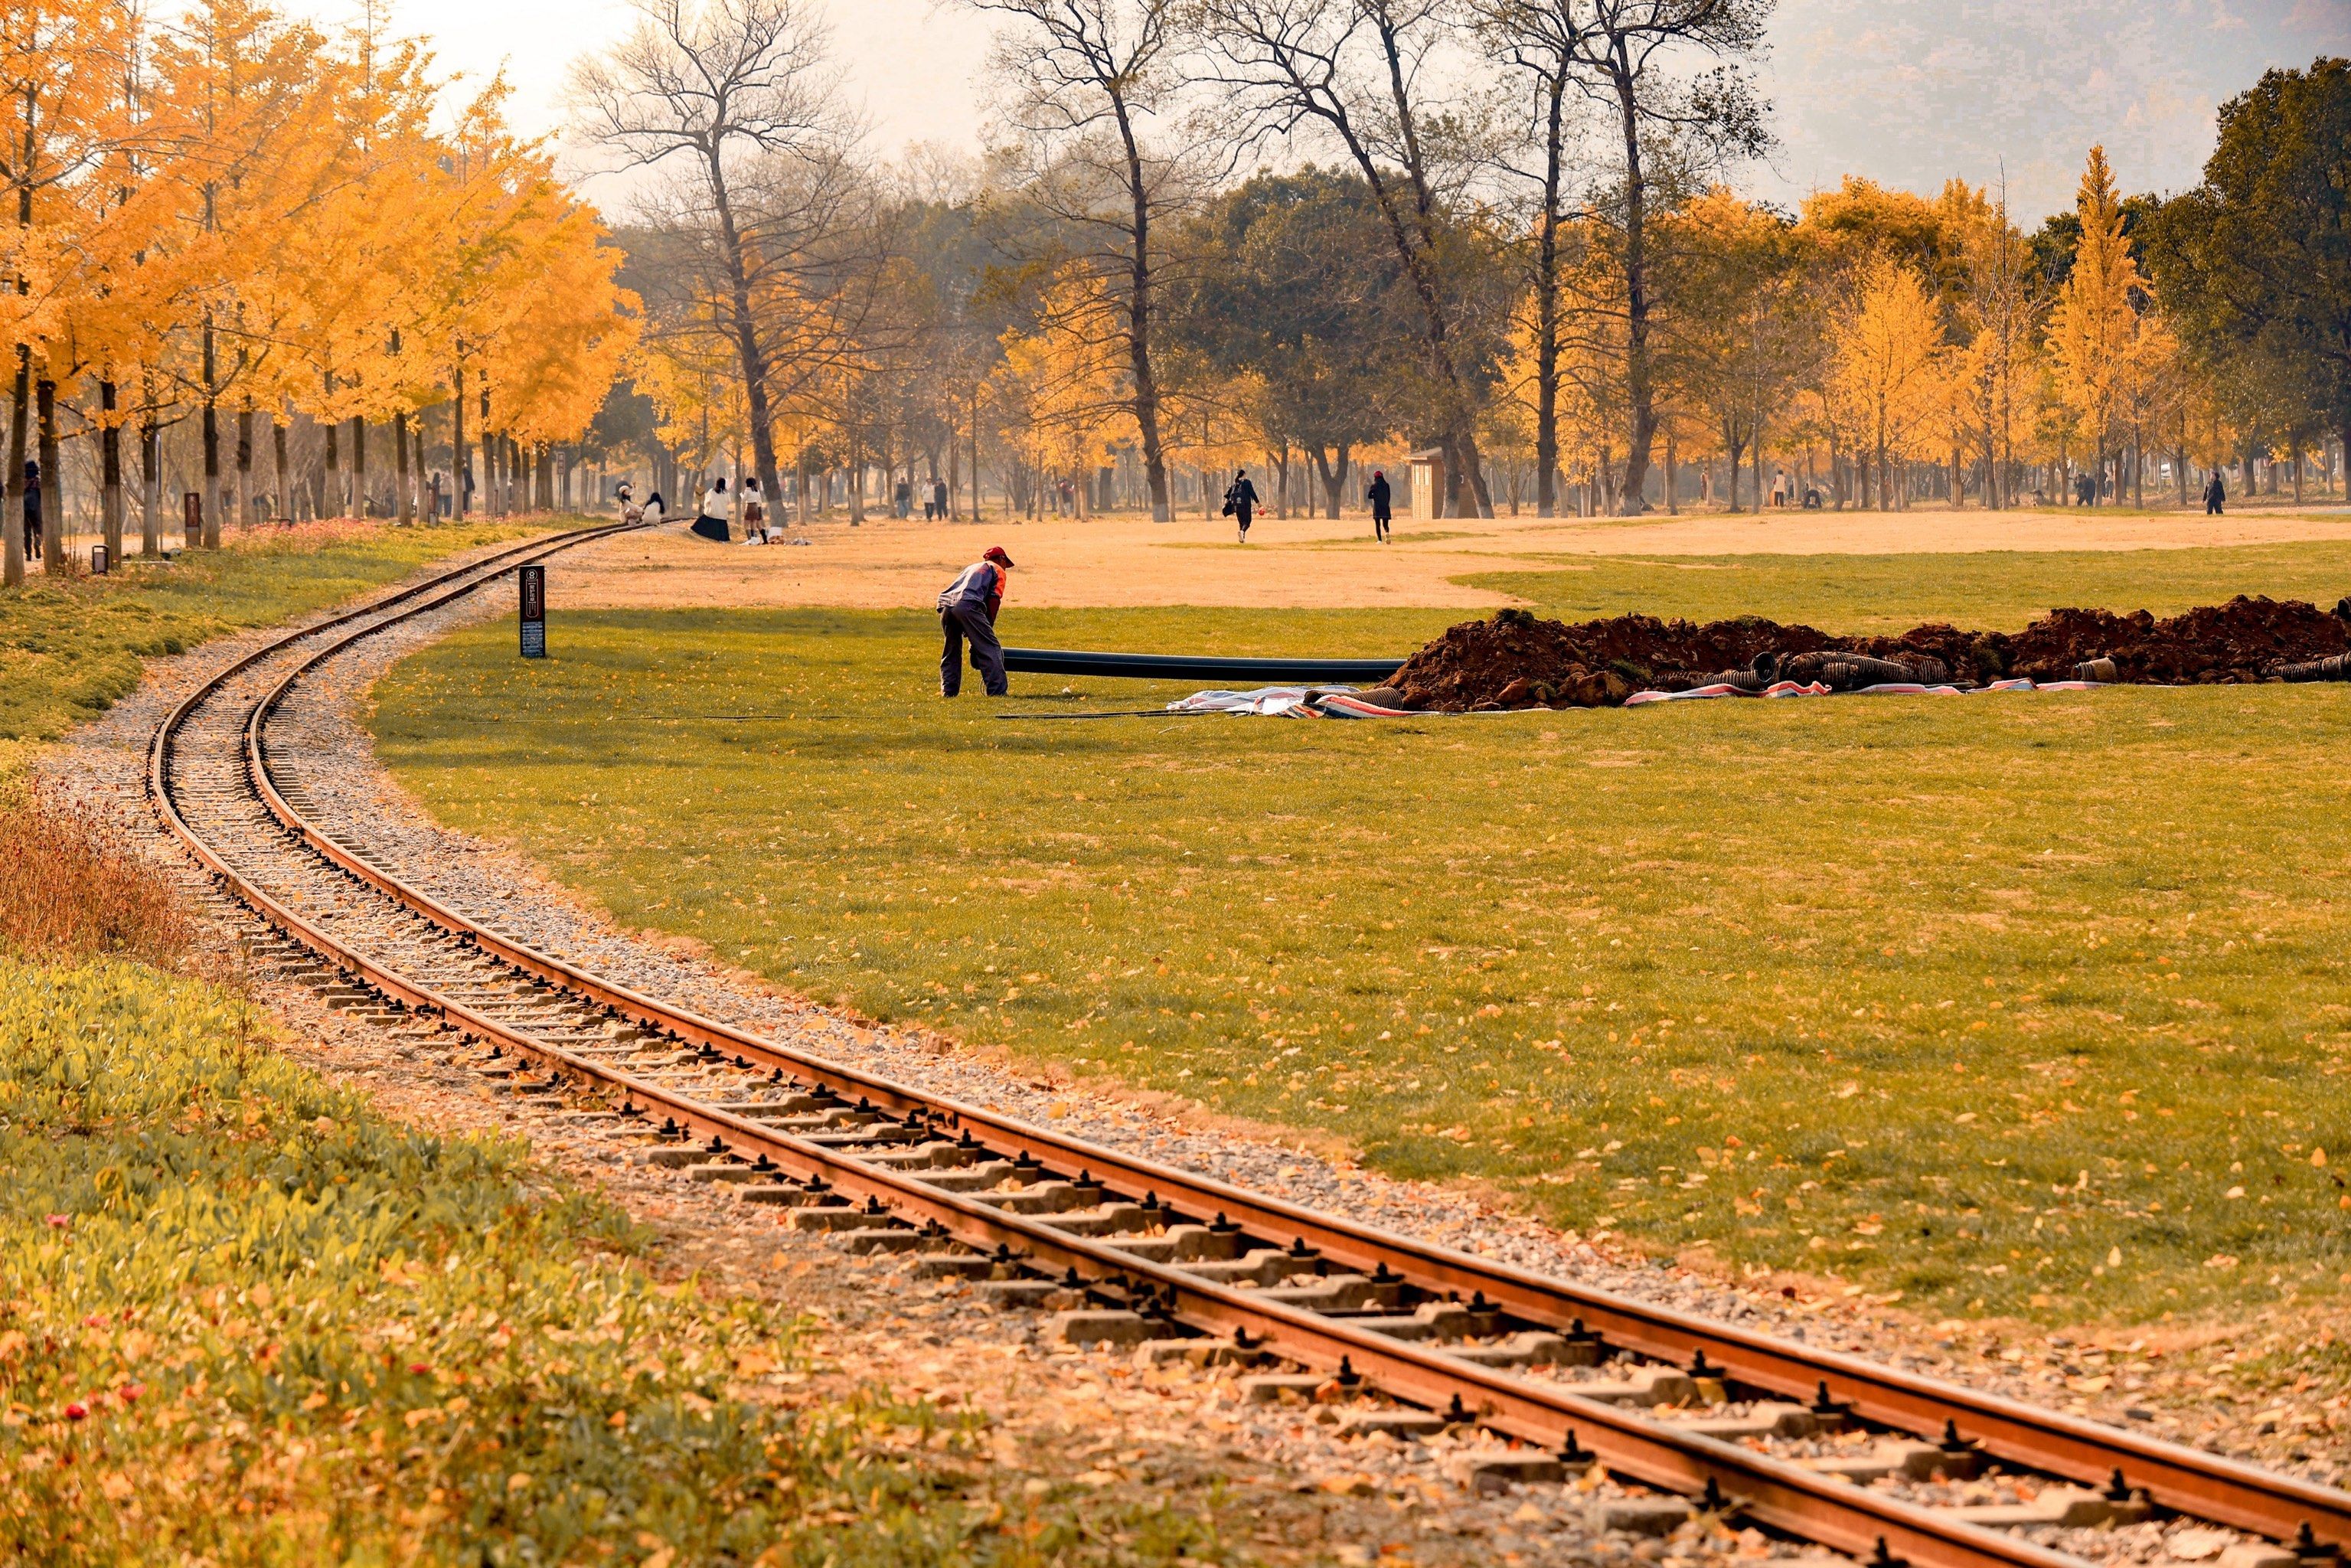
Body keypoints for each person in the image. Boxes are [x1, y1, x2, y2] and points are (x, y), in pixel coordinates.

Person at [939, 545, 1014, 697]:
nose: (1006, 568)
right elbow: (994, 601)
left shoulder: (971, 568)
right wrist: (987, 628)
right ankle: (997, 692)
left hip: (946, 605)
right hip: (968, 604)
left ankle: (948, 691)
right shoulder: (997, 569)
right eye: (1007, 564)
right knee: (990, 647)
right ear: (1001, 559)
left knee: (951, 650)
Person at [1223, 468, 1259, 543]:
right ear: (1244, 474)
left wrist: (1225, 505)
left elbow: (1228, 496)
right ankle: (1242, 532)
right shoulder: (1247, 482)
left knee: (1241, 523)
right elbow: (1252, 493)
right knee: (1247, 522)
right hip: (1246, 506)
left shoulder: (1235, 484)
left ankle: (1242, 540)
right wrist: (1258, 503)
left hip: (1236, 506)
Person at [692, 477, 730, 541]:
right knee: (722, 523)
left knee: (704, 518)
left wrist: (708, 506)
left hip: (712, 513)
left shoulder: (712, 491)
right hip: (722, 515)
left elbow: (707, 502)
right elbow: (728, 502)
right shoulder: (726, 493)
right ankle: (722, 539)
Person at [22, 461, 41, 563]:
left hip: (24, 511)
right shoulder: (38, 483)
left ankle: (28, 554)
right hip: (36, 510)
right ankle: (37, 543)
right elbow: (42, 497)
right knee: (38, 531)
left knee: (27, 533)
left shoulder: (22, 483)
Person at [1367, 469, 1393, 542]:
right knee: (1385, 524)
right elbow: (1389, 496)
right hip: (1385, 506)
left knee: (1377, 524)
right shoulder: (1386, 485)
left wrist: (1374, 496)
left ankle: (1380, 540)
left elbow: (1369, 496)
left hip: (1377, 507)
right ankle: (1387, 532)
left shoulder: (1374, 486)